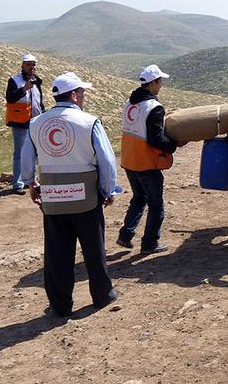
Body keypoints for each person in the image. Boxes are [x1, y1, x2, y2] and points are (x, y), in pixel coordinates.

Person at [20, 72, 120, 315]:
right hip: (85, 198)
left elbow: (26, 157)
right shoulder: (90, 122)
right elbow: (106, 161)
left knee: (57, 254)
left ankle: (60, 304)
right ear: (74, 95)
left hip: (53, 198)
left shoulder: (36, 123)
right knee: (94, 250)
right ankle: (102, 295)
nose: (84, 97)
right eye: (82, 92)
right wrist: (108, 189)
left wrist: (31, 184)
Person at [116, 65, 180, 254]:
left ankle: (126, 235)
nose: (160, 86)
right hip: (146, 162)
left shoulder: (129, 102)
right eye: (159, 82)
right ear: (152, 83)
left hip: (129, 159)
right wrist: (174, 144)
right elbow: (155, 139)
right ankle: (150, 243)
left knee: (138, 198)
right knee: (156, 205)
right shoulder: (154, 107)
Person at [5, 54, 44, 194]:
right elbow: (10, 98)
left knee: (34, 152)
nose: (31, 67)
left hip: (36, 121)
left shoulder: (37, 81)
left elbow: (39, 101)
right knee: (20, 153)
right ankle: (18, 183)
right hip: (20, 122)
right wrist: (23, 89)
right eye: (28, 64)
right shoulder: (14, 80)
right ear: (22, 65)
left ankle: (31, 180)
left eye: (33, 64)